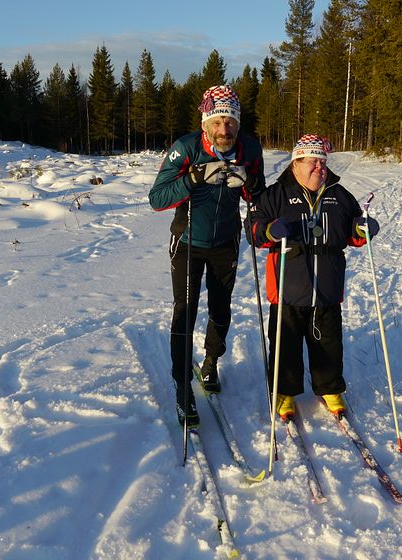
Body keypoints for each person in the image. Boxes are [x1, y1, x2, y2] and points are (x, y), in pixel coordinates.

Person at [149, 85, 265, 427]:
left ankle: (211, 361)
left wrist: (248, 182)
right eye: (217, 121)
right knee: (185, 311)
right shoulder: (185, 148)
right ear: (205, 124)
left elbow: (257, 194)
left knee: (220, 308)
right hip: (187, 240)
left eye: (230, 121)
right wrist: (194, 177)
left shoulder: (250, 149)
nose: (224, 129)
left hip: (226, 241)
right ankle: (182, 384)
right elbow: (157, 198)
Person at [249, 134, 379, 420]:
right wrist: (269, 231)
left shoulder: (339, 195)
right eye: (313, 161)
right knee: (286, 345)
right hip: (288, 289)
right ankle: (283, 393)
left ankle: (330, 388)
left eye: (323, 161)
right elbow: (253, 230)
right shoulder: (276, 195)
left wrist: (363, 229)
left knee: (328, 343)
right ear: (296, 163)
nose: (320, 167)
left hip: (327, 288)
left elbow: (353, 232)